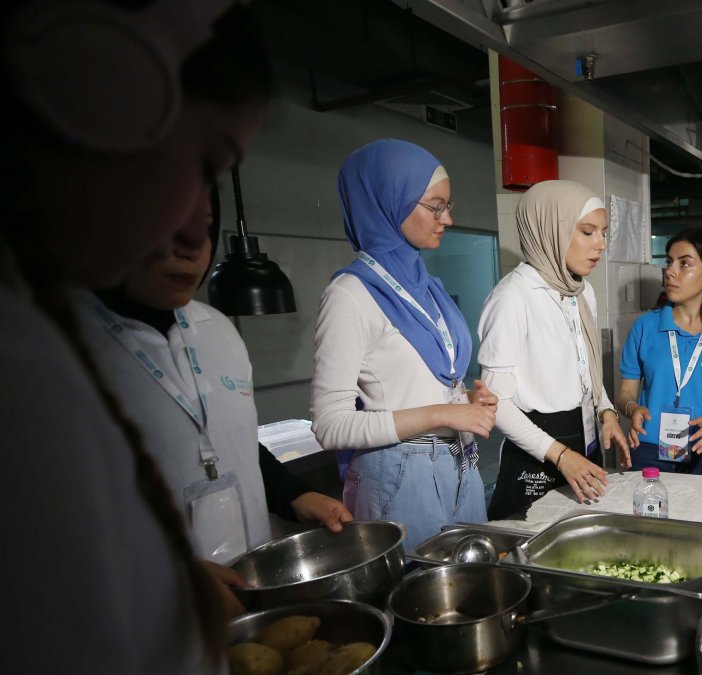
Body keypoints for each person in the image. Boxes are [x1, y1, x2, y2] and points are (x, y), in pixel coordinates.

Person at [0, 0, 271, 672]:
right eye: (207, 160)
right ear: (112, 93)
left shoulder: (35, 336)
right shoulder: (24, 369)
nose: (190, 222)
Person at [80, 185, 353, 570]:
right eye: (169, 219)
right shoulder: (55, 346)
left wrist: (293, 494)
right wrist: (173, 574)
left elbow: (234, 445)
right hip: (141, 599)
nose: (191, 245)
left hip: (249, 575)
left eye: (204, 223)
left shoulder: (218, 330)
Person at [310, 139, 495, 551]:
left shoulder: (430, 288)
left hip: (458, 462)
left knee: (474, 593)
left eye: (448, 205)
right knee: (415, 604)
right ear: (390, 200)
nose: (447, 218)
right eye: (435, 206)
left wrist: (465, 401)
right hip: (399, 472)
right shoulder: (351, 293)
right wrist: (441, 413)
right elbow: (329, 425)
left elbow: (415, 384)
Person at [479, 179, 629, 518]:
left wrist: (606, 411)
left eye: (604, 232)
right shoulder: (512, 298)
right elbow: (496, 404)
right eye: (588, 232)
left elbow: (584, 370)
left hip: (583, 439)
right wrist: (560, 454)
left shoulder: (580, 290)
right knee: (529, 554)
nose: (601, 245)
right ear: (551, 230)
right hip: (539, 447)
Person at [615, 228, 702, 476]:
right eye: (669, 262)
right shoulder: (646, 327)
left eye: (685, 264)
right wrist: (632, 408)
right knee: (647, 515)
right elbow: (625, 392)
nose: (670, 271)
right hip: (649, 446)